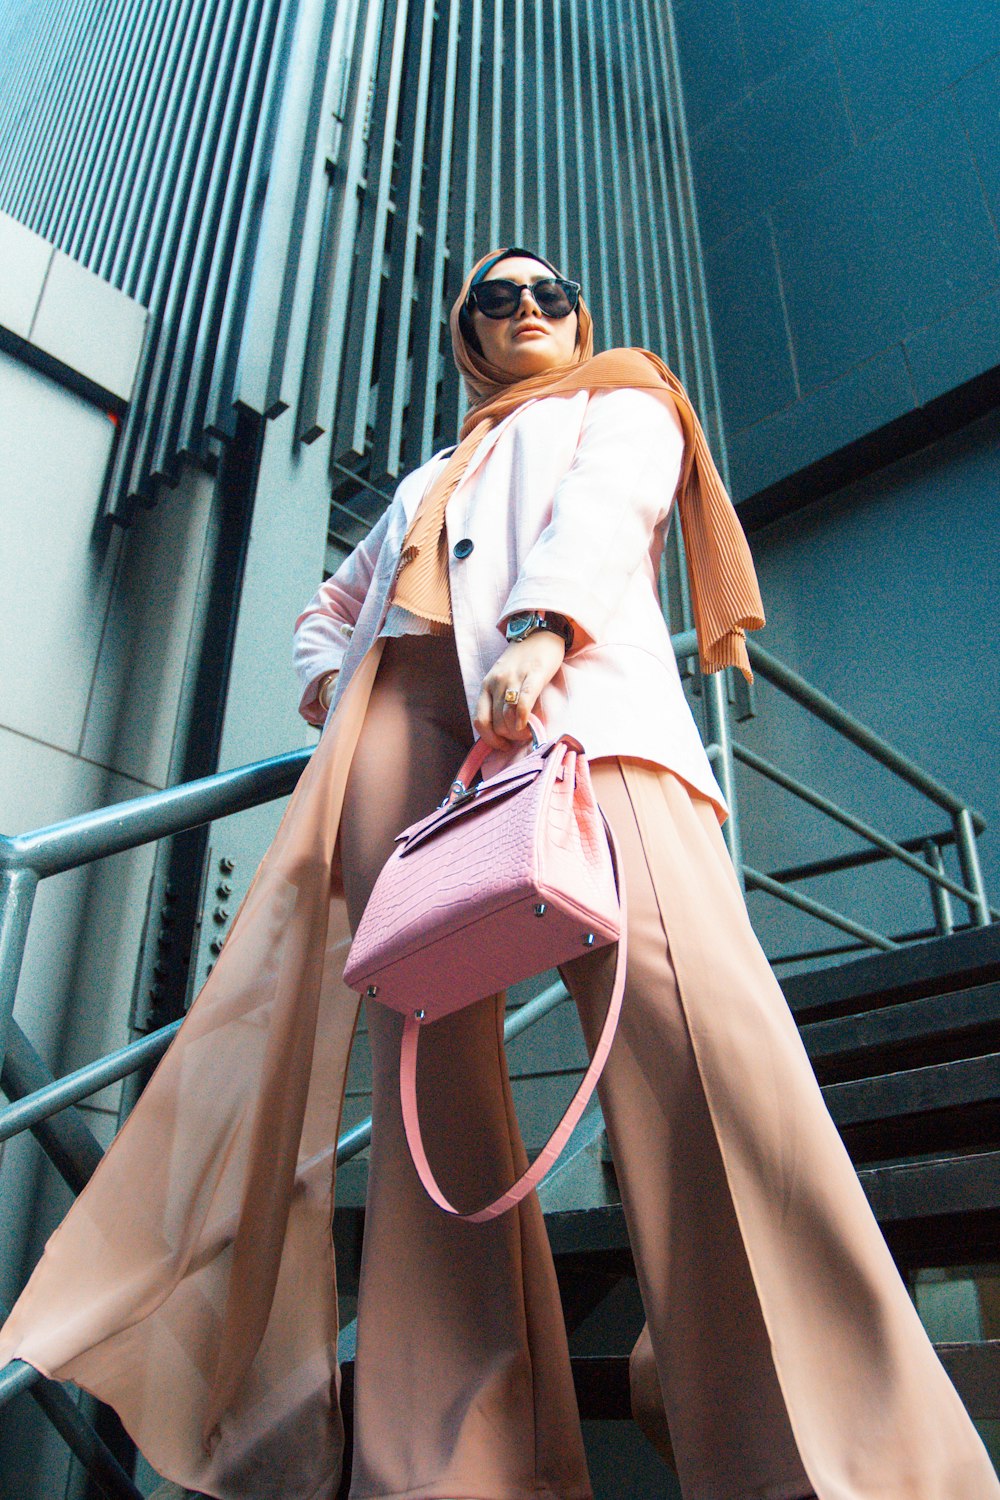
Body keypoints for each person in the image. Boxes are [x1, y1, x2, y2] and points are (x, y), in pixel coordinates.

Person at [0, 247, 997, 1500]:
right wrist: (336, 683)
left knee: (696, 1048)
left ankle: (830, 1458)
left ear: (579, 319)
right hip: (403, 753)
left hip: (580, 716)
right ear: (464, 336)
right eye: (496, 299)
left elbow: (612, 508)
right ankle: (458, 1468)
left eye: (550, 294)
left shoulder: (624, 396)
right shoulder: (432, 469)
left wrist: (536, 629)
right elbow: (328, 609)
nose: (528, 309)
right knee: (428, 1111)